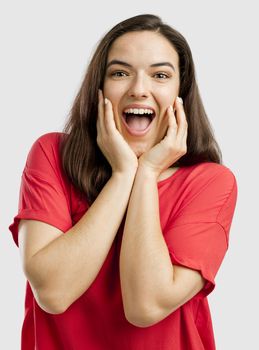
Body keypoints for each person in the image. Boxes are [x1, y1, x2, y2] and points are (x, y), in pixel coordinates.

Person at [9, 14, 238, 350]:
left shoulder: (211, 183)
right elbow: (53, 293)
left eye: (160, 75)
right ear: (99, 88)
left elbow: (145, 306)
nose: (139, 89)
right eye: (120, 73)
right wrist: (123, 174)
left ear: (180, 93)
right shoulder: (52, 155)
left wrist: (146, 173)